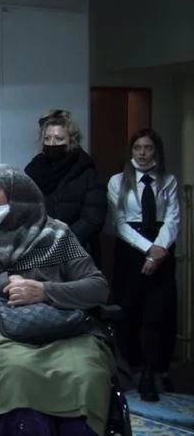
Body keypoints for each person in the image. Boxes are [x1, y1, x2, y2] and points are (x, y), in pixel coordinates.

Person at [0, 164, 114, 436]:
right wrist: (3, 281)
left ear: (18, 194)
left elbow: (98, 287)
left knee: (85, 372)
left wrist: (44, 291)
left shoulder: (57, 236)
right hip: (2, 337)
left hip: (67, 332)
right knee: (17, 371)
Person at [107, 128, 180, 401]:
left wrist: (159, 250)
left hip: (162, 248)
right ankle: (131, 368)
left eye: (148, 148)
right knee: (128, 311)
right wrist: (148, 250)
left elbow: (172, 219)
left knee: (159, 313)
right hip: (131, 249)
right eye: (138, 147)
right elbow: (118, 222)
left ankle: (155, 370)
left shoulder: (167, 180)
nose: (142, 153)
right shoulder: (118, 181)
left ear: (156, 150)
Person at [24, 109, 107, 264]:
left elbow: (93, 218)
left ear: (71, 141)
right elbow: (26, 211)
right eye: (47, 138)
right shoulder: (33, 171)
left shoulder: (87, 173)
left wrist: (60, 241)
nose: (51, 143)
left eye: (58, 138)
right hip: (40, 252)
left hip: (77, 253)